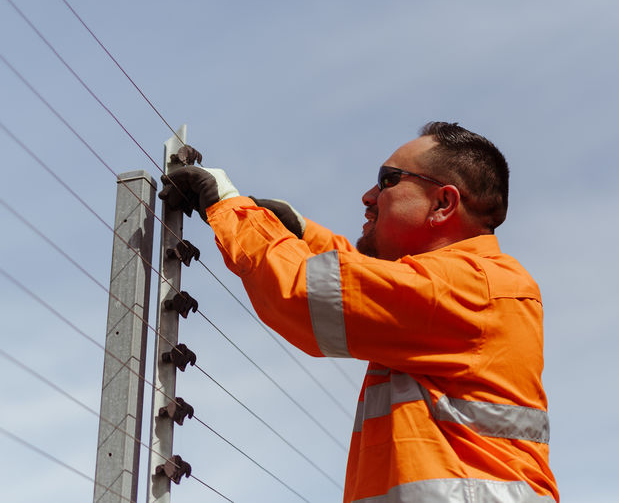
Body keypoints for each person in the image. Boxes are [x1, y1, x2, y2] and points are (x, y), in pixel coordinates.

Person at [159, 122, 559, 503]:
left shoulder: (473, 286)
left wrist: (231, 209)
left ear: (443, 203)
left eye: (388, 179)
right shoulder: (475, 285)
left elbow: (308, 292)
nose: (369, 196)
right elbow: (369, 281)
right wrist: (301, 232)